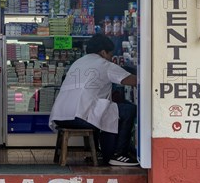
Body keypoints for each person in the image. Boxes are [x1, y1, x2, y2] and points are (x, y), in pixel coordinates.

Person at [50, 34, 139, 166]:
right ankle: (119, 154)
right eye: (110, 55)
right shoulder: (104, 64)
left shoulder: (78, 62)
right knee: (128, 110)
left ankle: (99, 152)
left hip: (60, 116)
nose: (111, 58)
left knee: (106, 110)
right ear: (103, 52)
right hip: (79, 117)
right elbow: (134, 81)